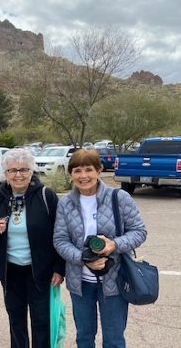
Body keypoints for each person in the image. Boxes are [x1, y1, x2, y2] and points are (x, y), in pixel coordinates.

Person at [53, 149, 147, 348]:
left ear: (99, 171)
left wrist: (114, 245)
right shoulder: (65, 204)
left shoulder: (119, 197)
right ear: (71, 174)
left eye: (89, 169)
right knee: (84, 337)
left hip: (114, 280)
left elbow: (139, 231)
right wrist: (83, 258)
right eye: (77, 170)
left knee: (114, 339)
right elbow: (60, 240)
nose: (83, 176)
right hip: (80, 283)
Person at [0, 148, 65, 348]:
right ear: (5, 174)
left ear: (31, 171)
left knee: (41, 322)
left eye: (23, 169)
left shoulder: (47, 196)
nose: (18, 174)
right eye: (12, 170)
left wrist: (59, 268)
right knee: (16, 322)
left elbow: (61, 234)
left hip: (41, 271)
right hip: (10, 271)